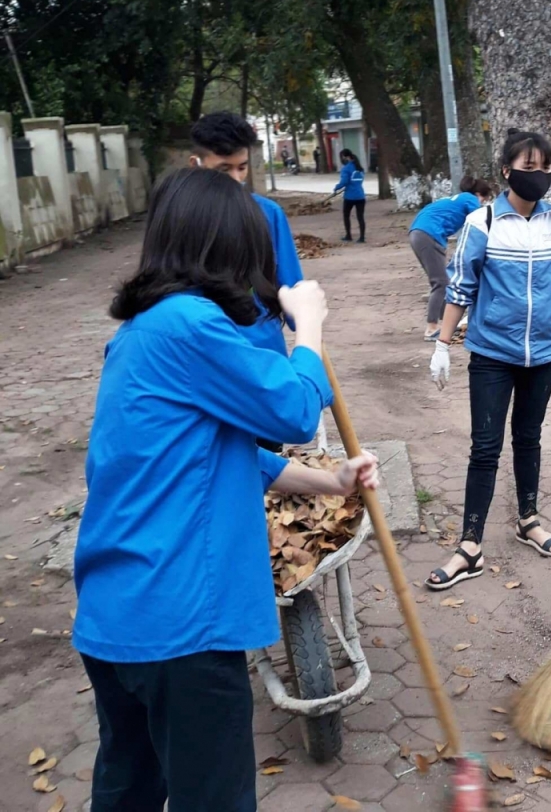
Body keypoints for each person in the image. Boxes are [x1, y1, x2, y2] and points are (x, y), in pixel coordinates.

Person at [73, 167, 380, 811]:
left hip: (117, 617)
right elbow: (296, 409)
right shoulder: (190, 324)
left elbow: (234, 456)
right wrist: (309, 328)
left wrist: (333, 479)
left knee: (127, 790)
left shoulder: (137, 335)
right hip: (182, 624)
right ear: (227, 247)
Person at [424, 129, 551, 591]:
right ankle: (469, 546)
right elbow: (460, 287)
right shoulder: (483, 222)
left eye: (546, 168)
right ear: (506, 171)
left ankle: (528, 520)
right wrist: (441, 346)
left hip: (546, 352)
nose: (539, 176)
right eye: (529, 168)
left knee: (528, 437)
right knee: (485, 448)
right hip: (492, 354)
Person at [189, 112, 304, 452]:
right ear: (196, 164)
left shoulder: (267, 214)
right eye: (224, 170)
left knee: (268, 467)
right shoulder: (183, 221)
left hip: (263, 363)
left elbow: (293, 292)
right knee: (220, 464)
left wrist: (308, 342)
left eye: (242, 167)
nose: (236, 179)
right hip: (207, 365)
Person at [409, 175, 493, 341]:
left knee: (443, 281)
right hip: (429, 234)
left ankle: (446, 324)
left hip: (418, 232)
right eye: (484, 200)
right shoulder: (470, 199)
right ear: (479, 194)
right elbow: (483, 221)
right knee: (440, 283)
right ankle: (432, 327)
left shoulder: (457, 199)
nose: (482, 203)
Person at [333, 148, 367, 243]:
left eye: (342, 157)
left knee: (346, 216)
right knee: (360, 217)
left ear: (345, 157)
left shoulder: (346, 168)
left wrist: (336, 188)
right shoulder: (360, 168)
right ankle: (362, 237)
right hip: (360, 196)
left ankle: (348, 235)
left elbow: (344, 181)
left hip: (350, 197)